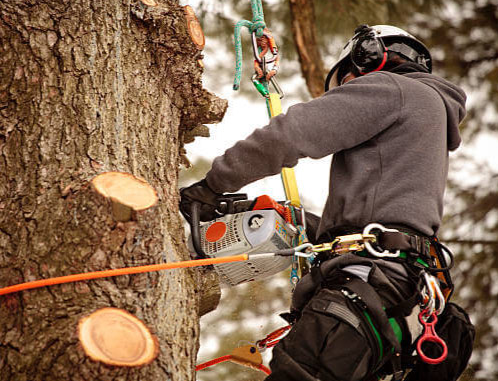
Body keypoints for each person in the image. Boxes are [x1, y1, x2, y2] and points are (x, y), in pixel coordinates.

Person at [181, 24, 468, 381]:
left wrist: (211, 186)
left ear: (369, 58)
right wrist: (301, 223)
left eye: (347, 84)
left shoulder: (392, 88)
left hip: (362, 291)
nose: (348, 94)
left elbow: (291, 134)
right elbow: (385, 221)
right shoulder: (429, 117)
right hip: (396, 301)